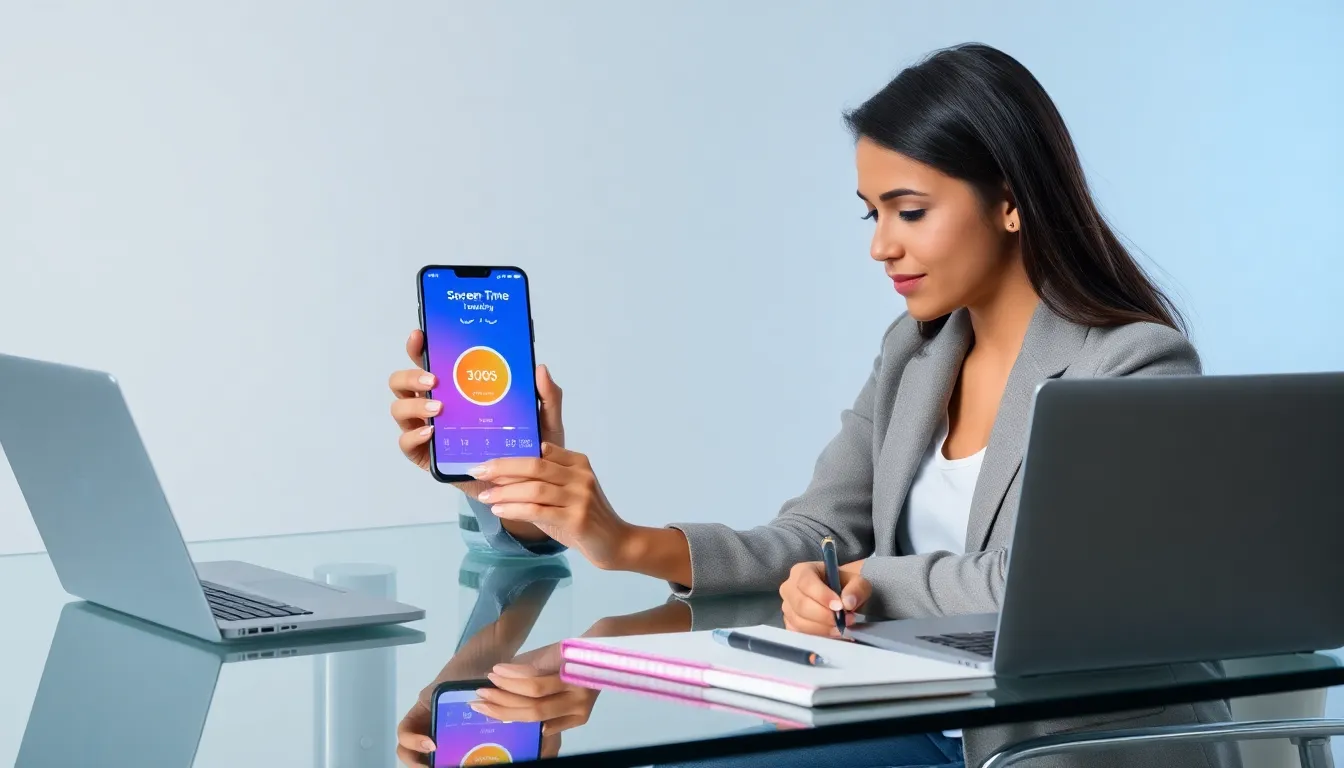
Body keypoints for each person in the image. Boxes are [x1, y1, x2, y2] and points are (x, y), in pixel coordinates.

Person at [389, 43, 1238, 768]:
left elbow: (1063, 591)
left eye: (910, 211)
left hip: (1059, 747)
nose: (881, 245)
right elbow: (816, 534)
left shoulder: (1135, 364)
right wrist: (619, 539)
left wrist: (859, 585)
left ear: (1011, 200)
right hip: (918, 726)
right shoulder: (916, 354)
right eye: (872, 214)